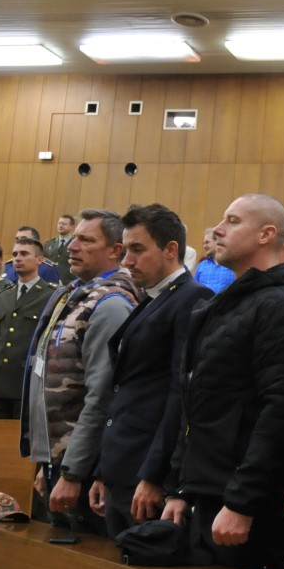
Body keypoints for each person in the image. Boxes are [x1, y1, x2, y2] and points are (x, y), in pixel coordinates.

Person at [161, 195, 284, 569]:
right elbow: (195, 401)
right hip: (208, 492)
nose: (218, 230)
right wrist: (180, 487)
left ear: (266, 234)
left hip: (245, 505)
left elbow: (283, 410)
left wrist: (242, 502)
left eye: (232, 221)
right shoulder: (228, 303)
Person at [89, 204, 213, 538]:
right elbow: (125, 390)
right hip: (122, 466)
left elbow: (179, 394)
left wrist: (156, 475)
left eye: (137, 249)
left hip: (145, 473)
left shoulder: (192, 297)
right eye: (126, 250)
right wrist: (103, 469)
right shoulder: (154, 298)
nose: (127, 260)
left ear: (170, 249)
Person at [21, 210, 139, 534]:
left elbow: (102, 396)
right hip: (59, 460)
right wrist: (47, 461)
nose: (72, 247)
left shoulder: (111, 304)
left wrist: (73, 472)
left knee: (81, 554)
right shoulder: (72, 294)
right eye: (74, 238)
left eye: (86, 240)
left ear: (115, 250)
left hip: (83, 470)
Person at [0, 237, 55, 420]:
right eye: (15, 254)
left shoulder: (50, 295)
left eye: (24, 254)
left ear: (40, 260)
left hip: (26, 381)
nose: (17, 258)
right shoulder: (3, 295)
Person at [194, 229, 235, 294]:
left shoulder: (233, 265)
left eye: (207, 242)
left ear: (217, 241)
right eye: (203, 243)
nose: (204, 246)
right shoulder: (201, 266)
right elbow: (195, 290)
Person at [43, 214, 76, 284]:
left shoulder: (76, 244)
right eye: (59, 223)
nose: (60, 226)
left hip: (68, 283)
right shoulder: (48, 243)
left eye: (64, 224)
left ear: (72, 226)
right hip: (49, 283)